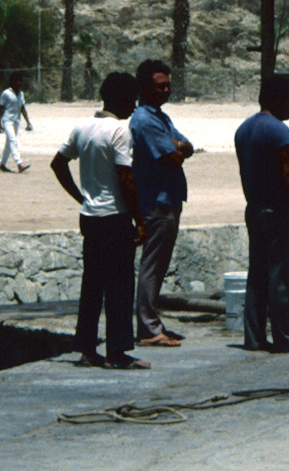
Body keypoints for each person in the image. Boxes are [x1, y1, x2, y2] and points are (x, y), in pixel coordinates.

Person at [50, 71, 150, 371]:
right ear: (121, 99)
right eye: (131, 101)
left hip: (89, 218)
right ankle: (117, 351)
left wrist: (80, 197)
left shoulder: (82, 127)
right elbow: (126, 179)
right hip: (114, 218)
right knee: (119, 285)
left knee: (92, 284)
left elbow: (58, 164)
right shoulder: (119, 131)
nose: (133, 107)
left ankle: (86, 349)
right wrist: (140, 221)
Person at [234, 74, 289, 353]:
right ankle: (284, 337)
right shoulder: (279, 131)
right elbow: (287, 176)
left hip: (253, 208)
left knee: (257, 275)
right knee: (279, 277)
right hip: (276, 211)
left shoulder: (243, 129)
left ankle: (254, 336)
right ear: (277, 100)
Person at [131, 58, 194, 347]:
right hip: (156, 202)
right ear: (145, 87)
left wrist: (177, 145)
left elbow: (187, 146)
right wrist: (176, 147)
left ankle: (151, 321)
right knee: (152, 265)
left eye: (168, 85)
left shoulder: (161, 118)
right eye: (160, 86)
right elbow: (173, 156)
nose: (166, 90)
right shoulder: (145, 120)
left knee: (158, 264)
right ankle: (148, 327)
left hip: (168, 199)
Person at [0, 72, 33, 172]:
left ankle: (2, 165)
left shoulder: (21, 94)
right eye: (17, 81)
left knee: (9, 143)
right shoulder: (6, 93)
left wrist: (28, 122)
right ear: (12, 82)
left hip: (16, 121)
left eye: (20, 81)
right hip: (7, 120)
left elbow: (22, 108)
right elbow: (1, 109)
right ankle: (19, 163)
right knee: (13, 141)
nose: (19, 83)